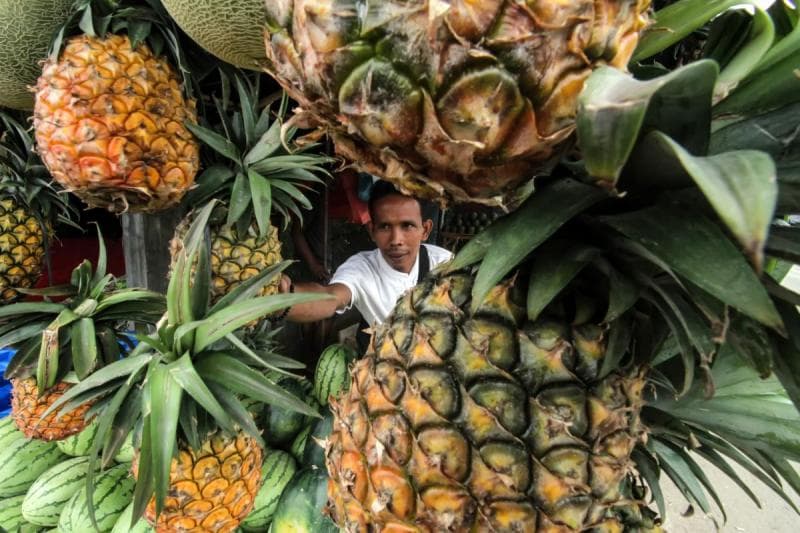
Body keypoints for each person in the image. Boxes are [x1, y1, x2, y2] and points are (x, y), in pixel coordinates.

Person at [277, 181, 452, 349]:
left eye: (407, 226)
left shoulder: (445, 264)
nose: (396, 240)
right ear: (372, 231)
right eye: (384, 227)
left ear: (425, 230)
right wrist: (282, 300)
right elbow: (331, 297)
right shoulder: (361, 268)